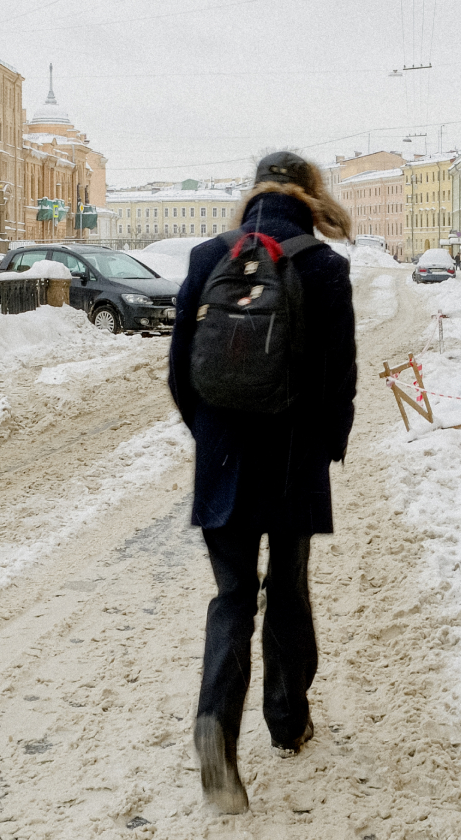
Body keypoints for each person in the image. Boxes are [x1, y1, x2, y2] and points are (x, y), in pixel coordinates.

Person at [168, 151, 358, 815]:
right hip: (293, 459)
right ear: (311, 196)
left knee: (232, 597)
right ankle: (287, 720)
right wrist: (327, 448)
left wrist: (213, 439)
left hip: (222, 458)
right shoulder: (326, 265)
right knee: (288, 588)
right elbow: (339, 380)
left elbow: (179, 372)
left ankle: (215, 725)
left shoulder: (205, 256)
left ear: (253, 194)